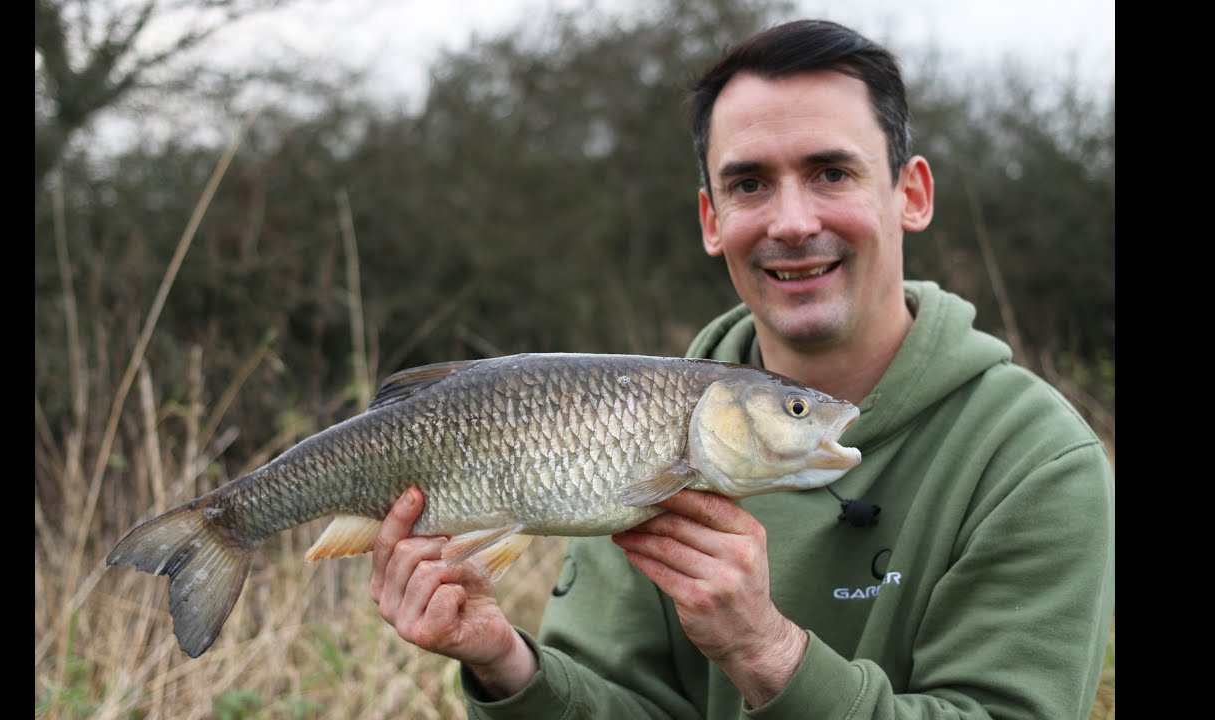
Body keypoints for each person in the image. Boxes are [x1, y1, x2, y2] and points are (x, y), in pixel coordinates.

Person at [368, 18, 1115, 719]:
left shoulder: (1036, 460)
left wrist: (766, 652)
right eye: (750, 183)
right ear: (711, 219)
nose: (791, 222)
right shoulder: (630, 424)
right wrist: (505, 664)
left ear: (911, 195)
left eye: (831, 173)